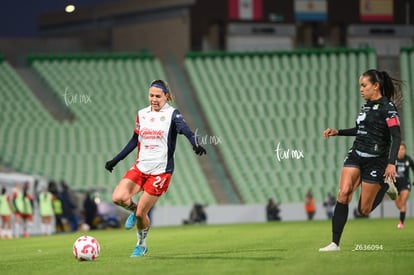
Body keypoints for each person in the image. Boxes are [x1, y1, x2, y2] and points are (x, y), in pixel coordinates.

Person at [105, 79, 206, 257]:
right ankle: (135, 211)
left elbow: (187, 131)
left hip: (160, 172)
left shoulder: (173, 114)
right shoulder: (142, 114)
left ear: (166, 96)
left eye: (158, 96)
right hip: (141, 167)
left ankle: (141, 244)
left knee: (141, 214)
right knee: (118, 197)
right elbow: (134, 140)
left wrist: (195, 144)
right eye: (151, 95)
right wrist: (115, 160)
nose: (154, 99)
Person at [319, 69, 402, 252]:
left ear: (376, 85)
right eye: (360, 86)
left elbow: (396, 137)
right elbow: (359, 130)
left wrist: (391, 163)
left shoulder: (388, 108)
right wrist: (338, 132)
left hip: (376, 161)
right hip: (356, 154)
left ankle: (386, 186)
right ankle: (335, 243)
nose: (361, 90)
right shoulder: (365, 106)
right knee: (343, 193)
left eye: (364, 85)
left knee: (363, 210)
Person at [394, 142, 414, 229]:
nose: (401, 151)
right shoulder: (393, 159)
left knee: (403, 202)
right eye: (399, 149)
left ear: (405, 150)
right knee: (399, 205)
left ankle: (401, 223)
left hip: (405, 184)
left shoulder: (408, 159)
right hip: (395, 186)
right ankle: (402, 219)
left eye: (402, 149)